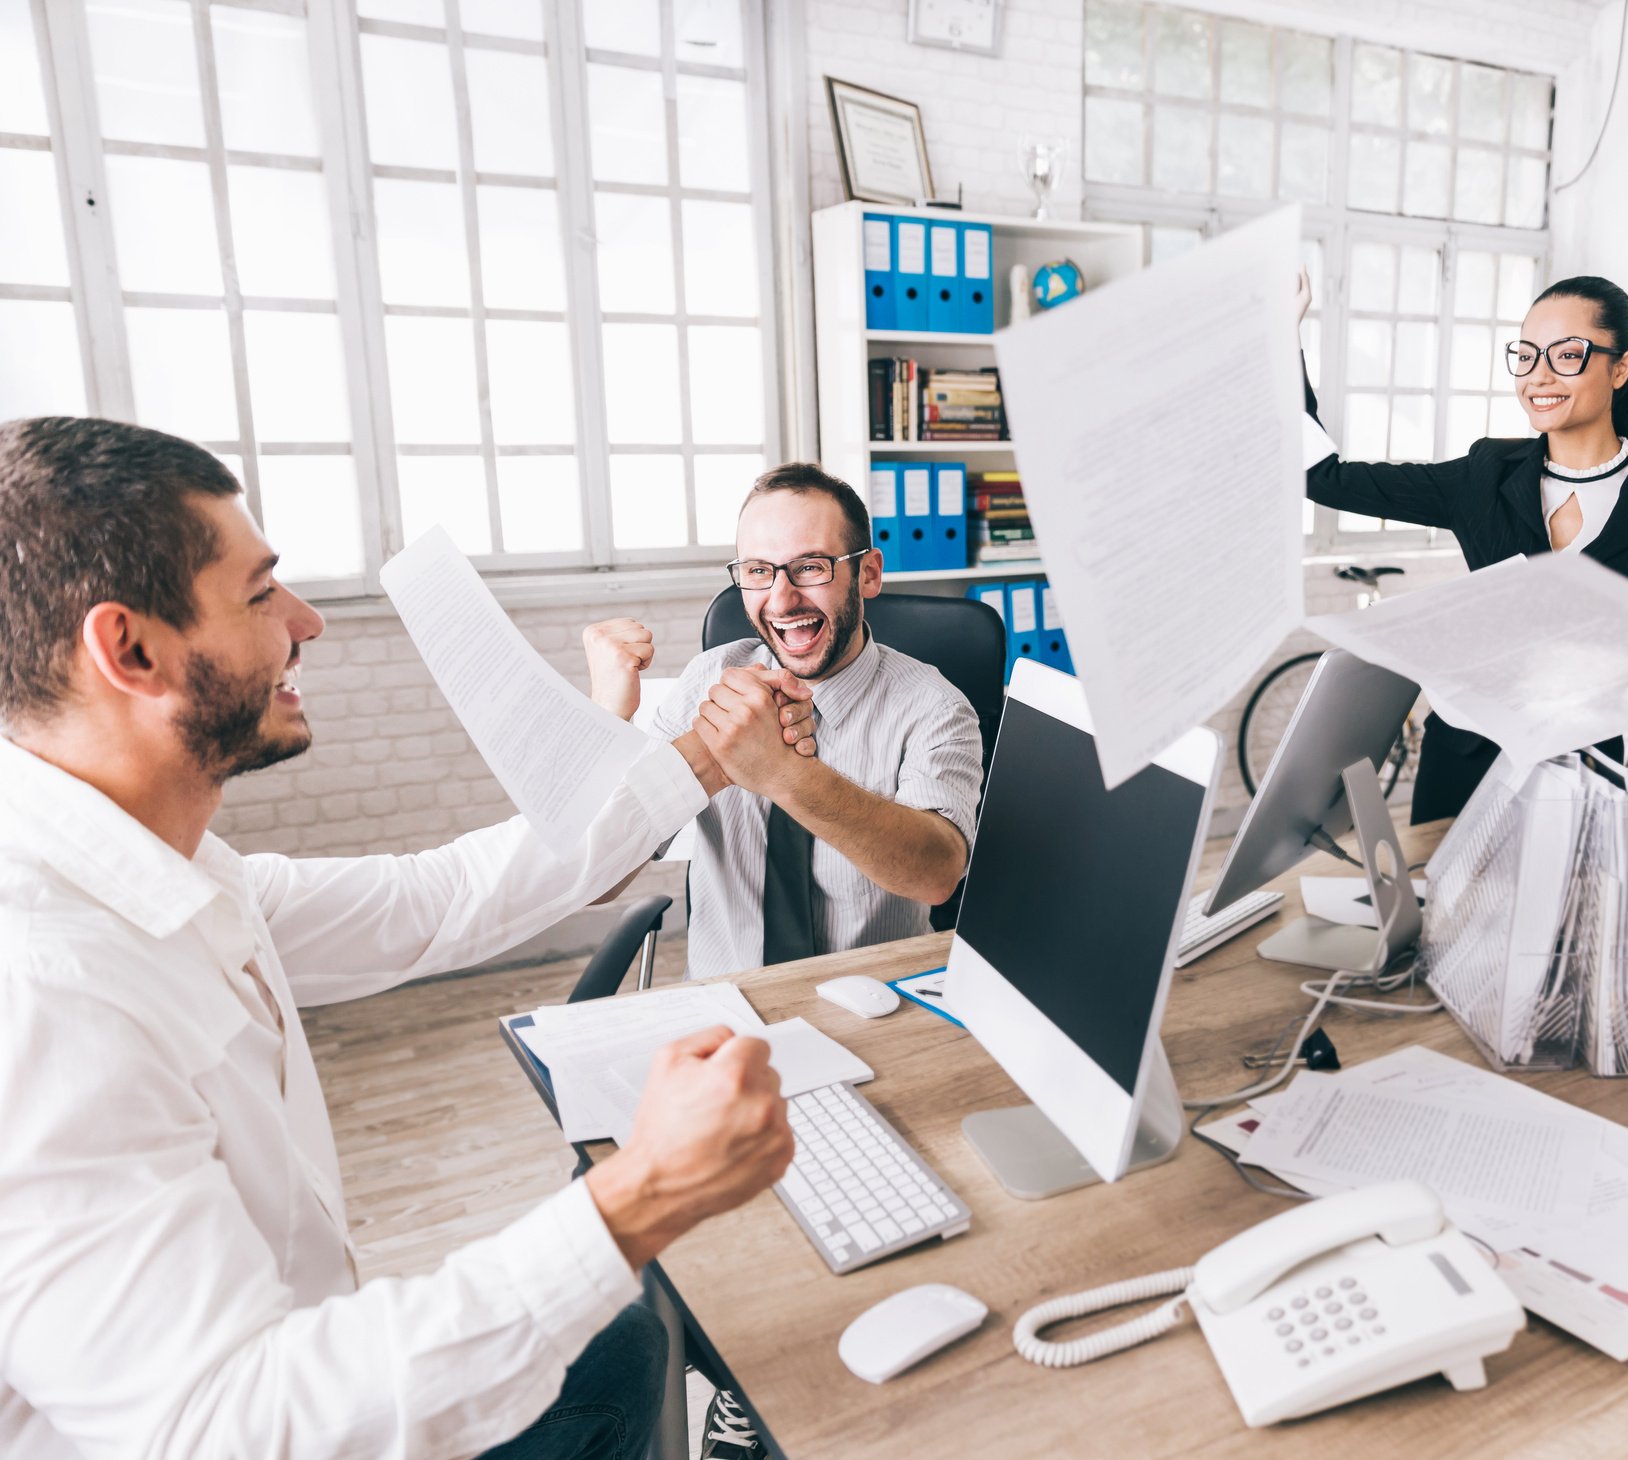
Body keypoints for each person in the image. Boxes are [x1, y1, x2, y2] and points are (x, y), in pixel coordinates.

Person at [0, 416, 806, 1459]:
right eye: (259, 594)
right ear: (132, 649)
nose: (306, 622)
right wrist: (643, 1191)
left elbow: (442, 897)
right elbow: (223, 1426)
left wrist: (702, 758)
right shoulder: (45, 990)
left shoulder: (168, 869)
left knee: (618, 1346)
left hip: (311, 1369)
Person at [1296, 273, 1628, 821]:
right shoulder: (1484, 475)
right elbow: (1322, 478)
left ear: (1620, 368)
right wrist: (1282, 343)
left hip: (1583, 771)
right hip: (1462, 765)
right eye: (1525, 356)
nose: (1538, 376)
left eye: (1567, 355)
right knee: (1444, 906)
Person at [584, 463, 983, 975]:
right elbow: (598, 882)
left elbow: (938, 874)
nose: (781, 598)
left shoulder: (935, 706)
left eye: (811, 566)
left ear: (869, 573)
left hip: (872, 1007)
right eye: (758, 570)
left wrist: (784, 774)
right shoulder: (709, 678)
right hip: (723, 1004)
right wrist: (607, 717)